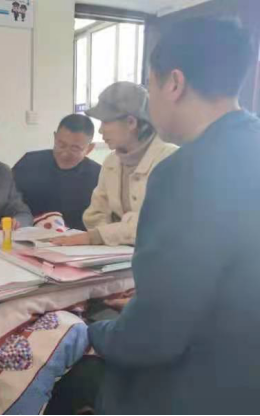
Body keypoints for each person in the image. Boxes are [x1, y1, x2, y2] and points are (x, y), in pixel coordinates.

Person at [89, 18, 260, 414]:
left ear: (174, 83)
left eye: (150, 85)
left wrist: (95, 333)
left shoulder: (185, 171)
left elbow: (156, 336)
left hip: (209, 386)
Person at [53, 82, 178, 247]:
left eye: (105, 122)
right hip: (117, 255)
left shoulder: (169, 159)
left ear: (131, 122)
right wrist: (117, 234)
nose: (100, 131)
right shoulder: (111, 161)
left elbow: (153, 223)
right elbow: (94, 215)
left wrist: (99, 235)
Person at [13, 114, 101, 231]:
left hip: (78, 239)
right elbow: (9, 202)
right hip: (27, 236)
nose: (65, 153)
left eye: (75, 148)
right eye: (61, 145)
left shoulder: (99, 176)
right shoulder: (28, 163)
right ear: (55, 137)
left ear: (89, 148)